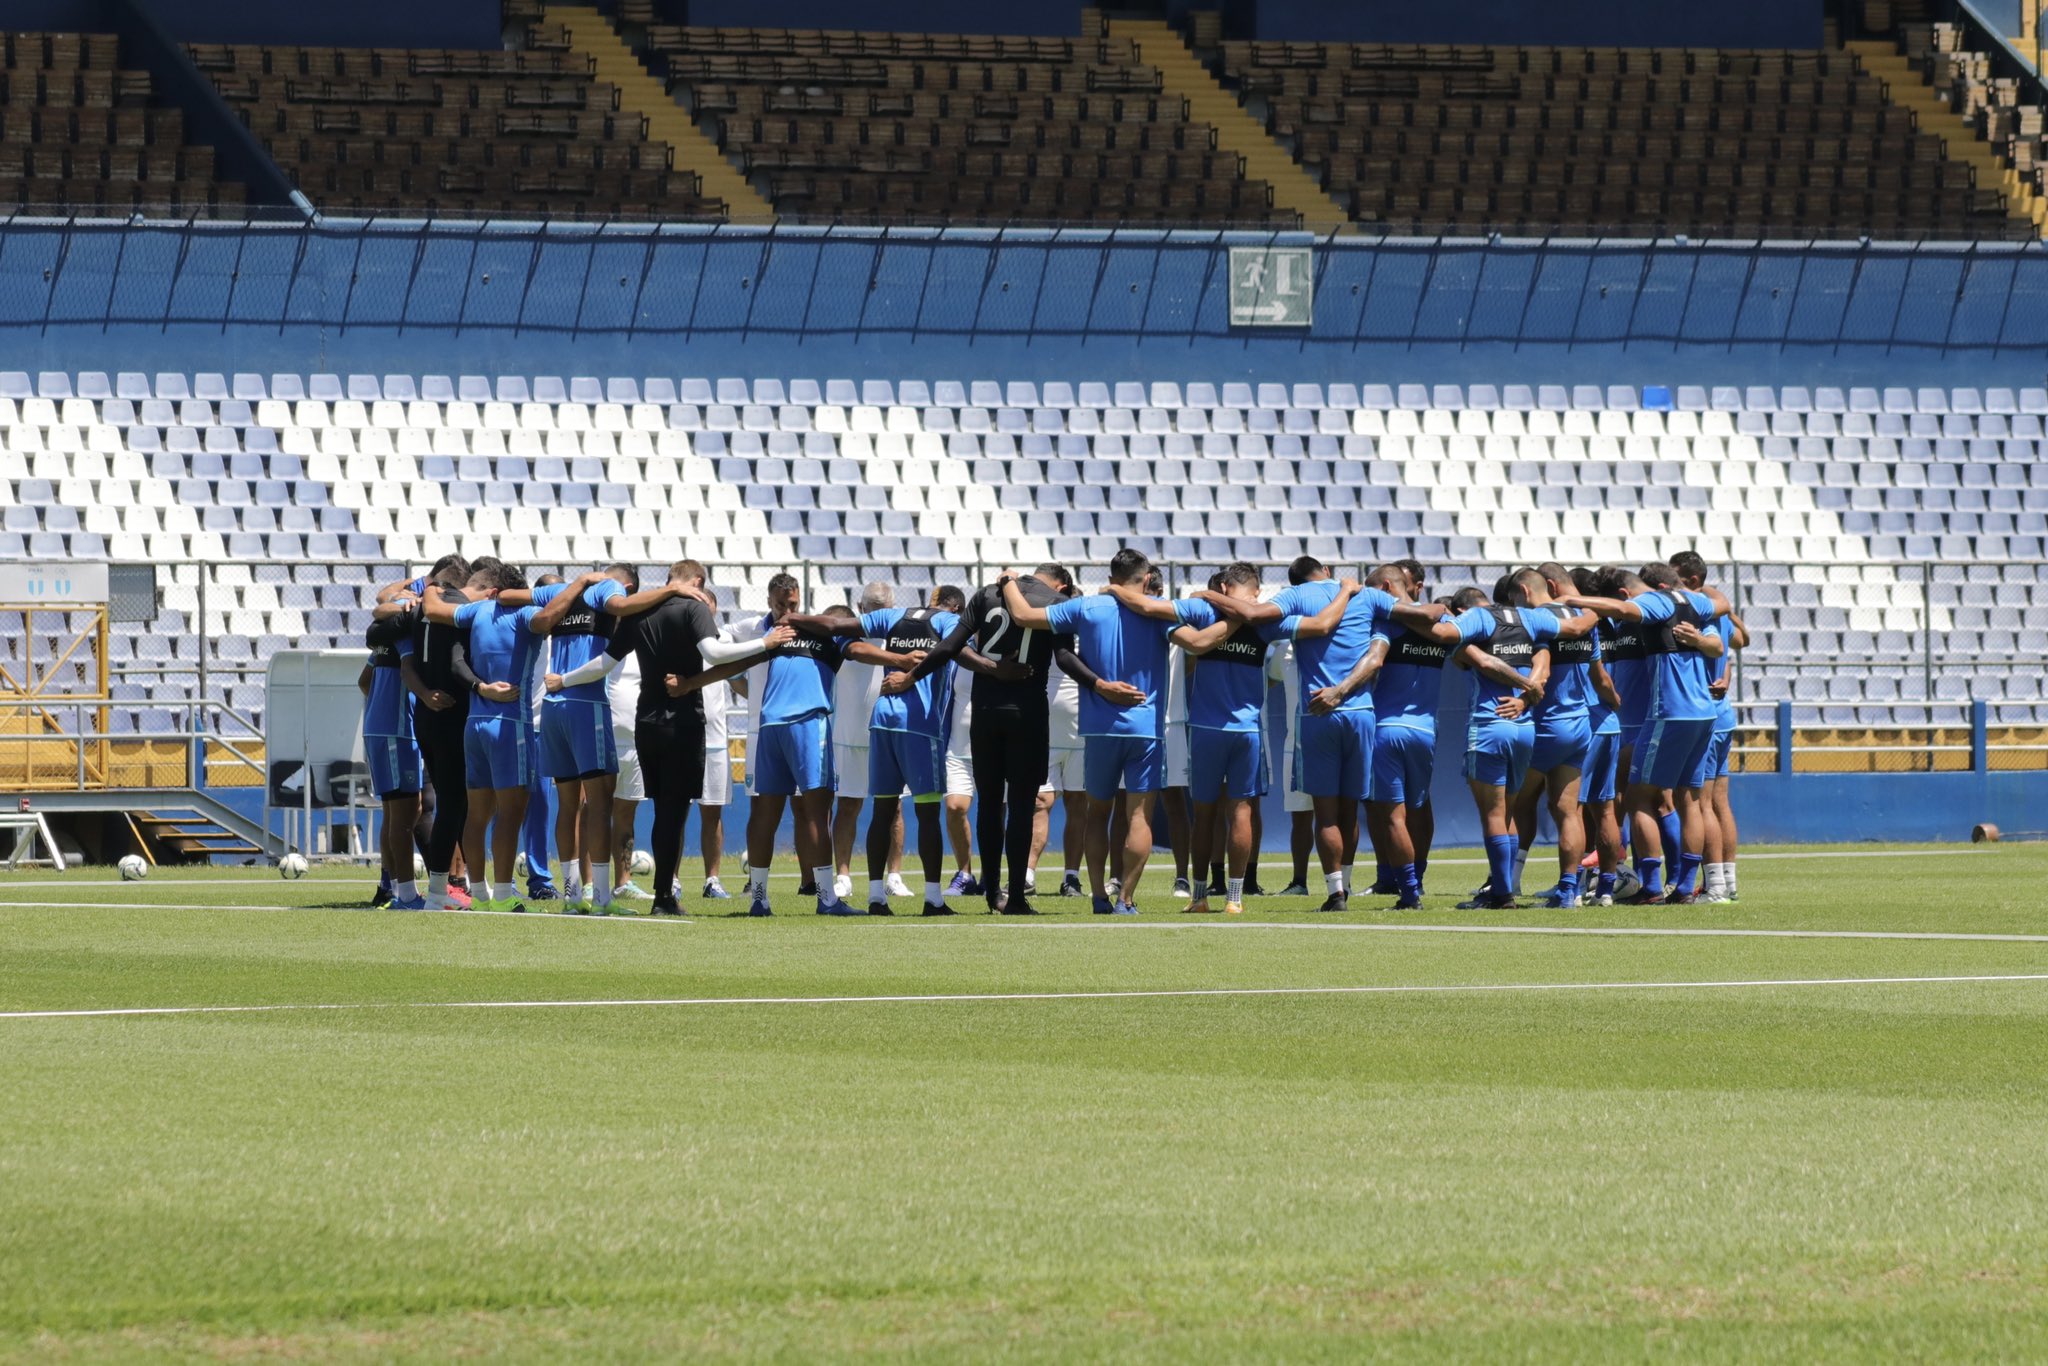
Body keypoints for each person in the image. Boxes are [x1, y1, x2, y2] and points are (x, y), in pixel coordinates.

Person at [547, 560, 781, 917]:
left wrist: (564, 679)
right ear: (698, 581)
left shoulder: (641, 610)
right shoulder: (694, 607)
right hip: (682, 721)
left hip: (646, 723)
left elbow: (604, 663)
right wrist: (765, 643)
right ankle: (663, 897)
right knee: (674, 811)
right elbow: (714, 653)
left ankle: (660, 894)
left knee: (661, 811)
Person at [1188, 556, 1420, 912]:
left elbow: (1193, 632)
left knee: (1316, 813)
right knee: (1349, 809)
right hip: (1355, 714)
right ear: (1326, 572)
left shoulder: (1276, 603)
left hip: (1301, 717)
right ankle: (1382, 887)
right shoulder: (1365, 598)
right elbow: (1421, 616)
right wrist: (1345, 591)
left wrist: (1209, 599)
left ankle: (1332, 892)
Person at [901, 563, 1090, 914]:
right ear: (1061, 586)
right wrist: (1099, 685)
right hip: (1028, 713)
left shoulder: (987, 594)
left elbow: (950, 647)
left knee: (989, 804)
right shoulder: (1055, 602)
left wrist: (910, 676)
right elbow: (1064, 658)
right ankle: (1016, 896)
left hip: (985, 713)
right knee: (1020, 806)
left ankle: (991, 895)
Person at [781, 588, 965, 915]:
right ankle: (933, 898)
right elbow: (952, 650)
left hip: (881, 722)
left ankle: (876, 896)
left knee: (882, 811)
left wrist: (797, 618)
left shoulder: (893, 617)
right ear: (954, 607)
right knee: (925, 812)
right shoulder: (950, 622)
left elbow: (834, 625)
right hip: (919, 726)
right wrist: (911, 676)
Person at [1000, 550, 1163, 915]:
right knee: (1138, 817)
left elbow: (1023, 614)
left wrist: (1009, 579)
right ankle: (1126, 898)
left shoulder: (1088, 607)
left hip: (1101, 728)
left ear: (1112, 573)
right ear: (1147, 578)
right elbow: (1199, 642)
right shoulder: (1160, 612)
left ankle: (1098, 897)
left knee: (1097, 814)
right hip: (1146, 727)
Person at [1563, 563, 1732, 904]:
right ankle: (1685, 886)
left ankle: (1652, 886)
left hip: (1668, 713)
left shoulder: (1657, 601)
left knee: (1639, 797)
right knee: (1690, 800)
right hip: (1704, 714)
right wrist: (1701, 640)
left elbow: (1625, 608)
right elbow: (1721, 614)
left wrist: (1575, 599)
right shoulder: (1692, 602)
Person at [419, 562, 541, 913]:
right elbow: (546, 619)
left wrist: (425, 588)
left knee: (470, 813)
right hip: (495, 720)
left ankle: (473, 892)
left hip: (459, 719)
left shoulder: (452, 610)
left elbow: (429, 656)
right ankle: (496, 893)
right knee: (502, 811)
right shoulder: (489, 614)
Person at [1160, 564, 1279, 915]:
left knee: (1205, 813)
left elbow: (1162, 611)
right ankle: (1235, 899)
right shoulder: (1265, 623)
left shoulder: (1203, 614)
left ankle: (1199, 897)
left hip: (1206, 729)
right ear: (1255, 591)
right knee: (1240, 810)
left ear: (1224, 587)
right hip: (1246, 730)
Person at [1505, 565, 1605, 908]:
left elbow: (1540, 671)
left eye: (1516, 598)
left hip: (1545, 723)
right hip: (1579, 724)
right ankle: (1568, 890)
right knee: (1568, 811)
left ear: (1527, 590)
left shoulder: (1536, 620)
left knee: (1511, 804)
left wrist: (1521, 699)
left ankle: (1507, 884)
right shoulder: (1580, 616)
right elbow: (1598, 674)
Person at [1356, 565, 1441, 910]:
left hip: (1387, 728)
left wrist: (1341, 690)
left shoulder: (1387, 624)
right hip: (1426, 731)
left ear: (1387, 587)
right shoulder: (1441, 626)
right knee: (1420, 808)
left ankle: (1408, 891)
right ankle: (1417, 879)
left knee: (1393, 815)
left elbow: (1374, 661)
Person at [1670, 551, 1749, 903]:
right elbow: (1740, 641)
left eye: (1676, 579)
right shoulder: (1714, 612)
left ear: (1693, 581)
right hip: (1723, 714)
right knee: (1719, 802)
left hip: (1702, 715)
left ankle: (1714, 885)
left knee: (1699, 804)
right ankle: (1727, 883)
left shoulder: (1695, 612)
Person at [830, 582, 906, 903]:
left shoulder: (901, 637)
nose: (876, 613)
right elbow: (858, 653)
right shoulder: (847, 634)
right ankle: (843, 876)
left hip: (887, 734)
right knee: (848, 805)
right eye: (871, 607)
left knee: (894, 808)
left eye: (882, 608)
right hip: (847, 735)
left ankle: (894, 876)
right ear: (860, 607)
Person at [360, 609, 425, 910]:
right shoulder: (406, 638)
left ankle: (391, 887)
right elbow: (408, 674)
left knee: (392, 812)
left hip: (377, 729)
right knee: (405, 814)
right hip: (397, 732)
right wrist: (425, 697)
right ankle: (407, 895)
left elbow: (364, 681)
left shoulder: (381, 641)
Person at [1570, 566, 1627, 907]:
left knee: (1572, 809)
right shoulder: (1613, 622)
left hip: (1584, 721)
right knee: (1606, 810)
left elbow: (1598, 675)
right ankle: (1605, 889)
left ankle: (1573, 888)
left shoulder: (1574, 624)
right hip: (1611, 722)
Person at [696, 586, 738, 901]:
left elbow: (737, 679)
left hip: (715, 738)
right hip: (682, 736)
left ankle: (713, 879)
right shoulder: (677, 635)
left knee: (713, 813)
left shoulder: (724, 640)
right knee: (676, 813)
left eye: (707, 602)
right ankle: (672, 879)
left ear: (715, 607)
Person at [1265, 636, 1313, 895]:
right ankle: (1299, 882)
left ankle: (1343, 883)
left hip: (1328, 740)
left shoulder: (1336, 640)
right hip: (1294, 744)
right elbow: (1270, 679)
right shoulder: (1284, 649)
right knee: (1300, 817)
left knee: (1340, 814)